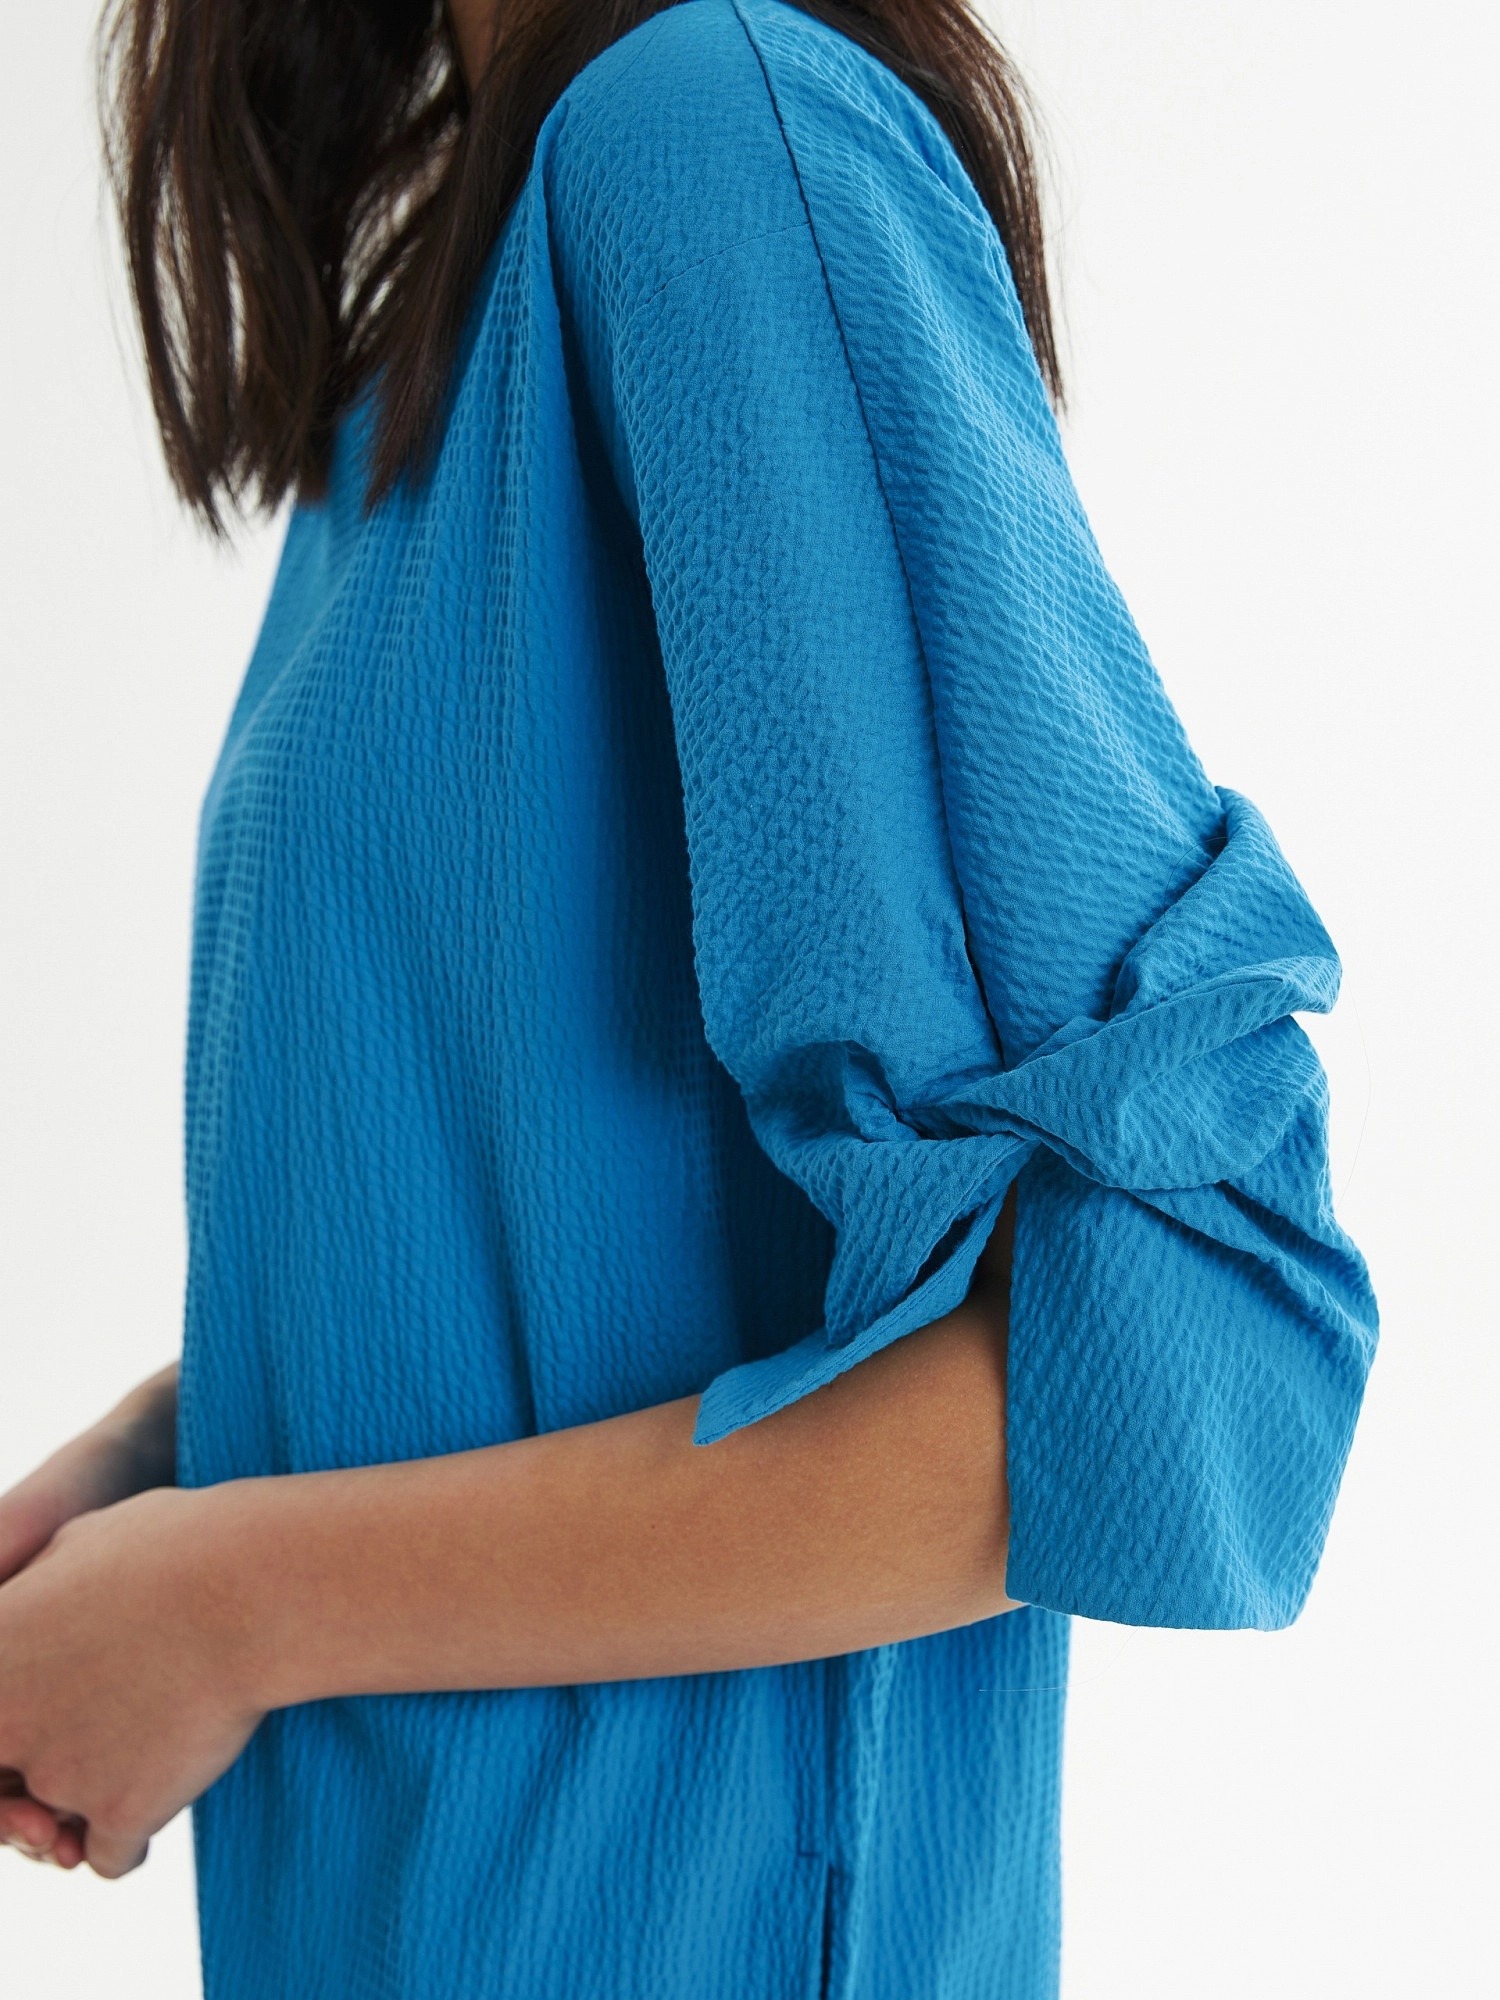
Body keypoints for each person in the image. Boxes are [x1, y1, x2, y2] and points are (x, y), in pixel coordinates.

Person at [0, 0, 1378, 1994]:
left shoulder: (706, 133)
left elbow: (1176, 1367)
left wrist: (227, 1604)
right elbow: (584, 1232)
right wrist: (184, 1451)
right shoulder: (436, 322)